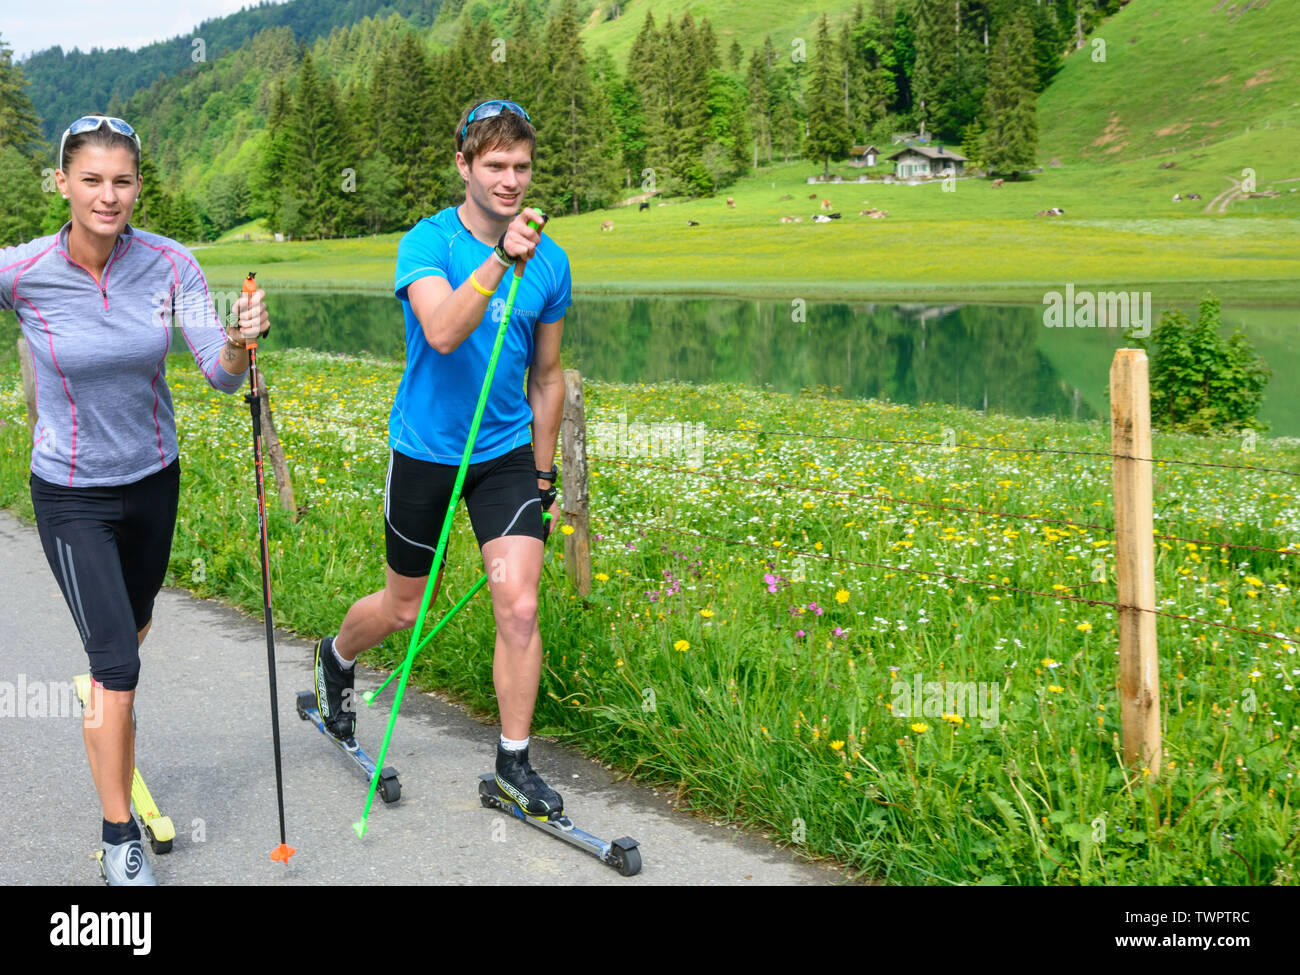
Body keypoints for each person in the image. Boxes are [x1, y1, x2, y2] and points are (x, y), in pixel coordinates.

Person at [0, 115, 270, 884]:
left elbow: (219, 373)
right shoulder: (22, 271)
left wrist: (243, 339)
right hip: (71, 493)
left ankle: (104, 685)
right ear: (61, 183)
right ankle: (119, 837)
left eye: (122, 181)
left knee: (136, 623)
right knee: (119, 662)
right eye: (91, 179)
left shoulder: (168, 264)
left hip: (154, 480)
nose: (107, 196)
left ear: (139, 187)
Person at [313, 98, 571, 818]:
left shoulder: (552, 263)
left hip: (505, 455)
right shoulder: (425, 244)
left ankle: (514, 764)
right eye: (495, 165)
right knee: (403, 607)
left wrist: (544, 472)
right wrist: (497, 258)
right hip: (425, 451)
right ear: (463, 165)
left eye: (521, 165)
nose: (511, 179)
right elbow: (446, 329)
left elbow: (547, 378)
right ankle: (336, 658)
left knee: (517, 604)